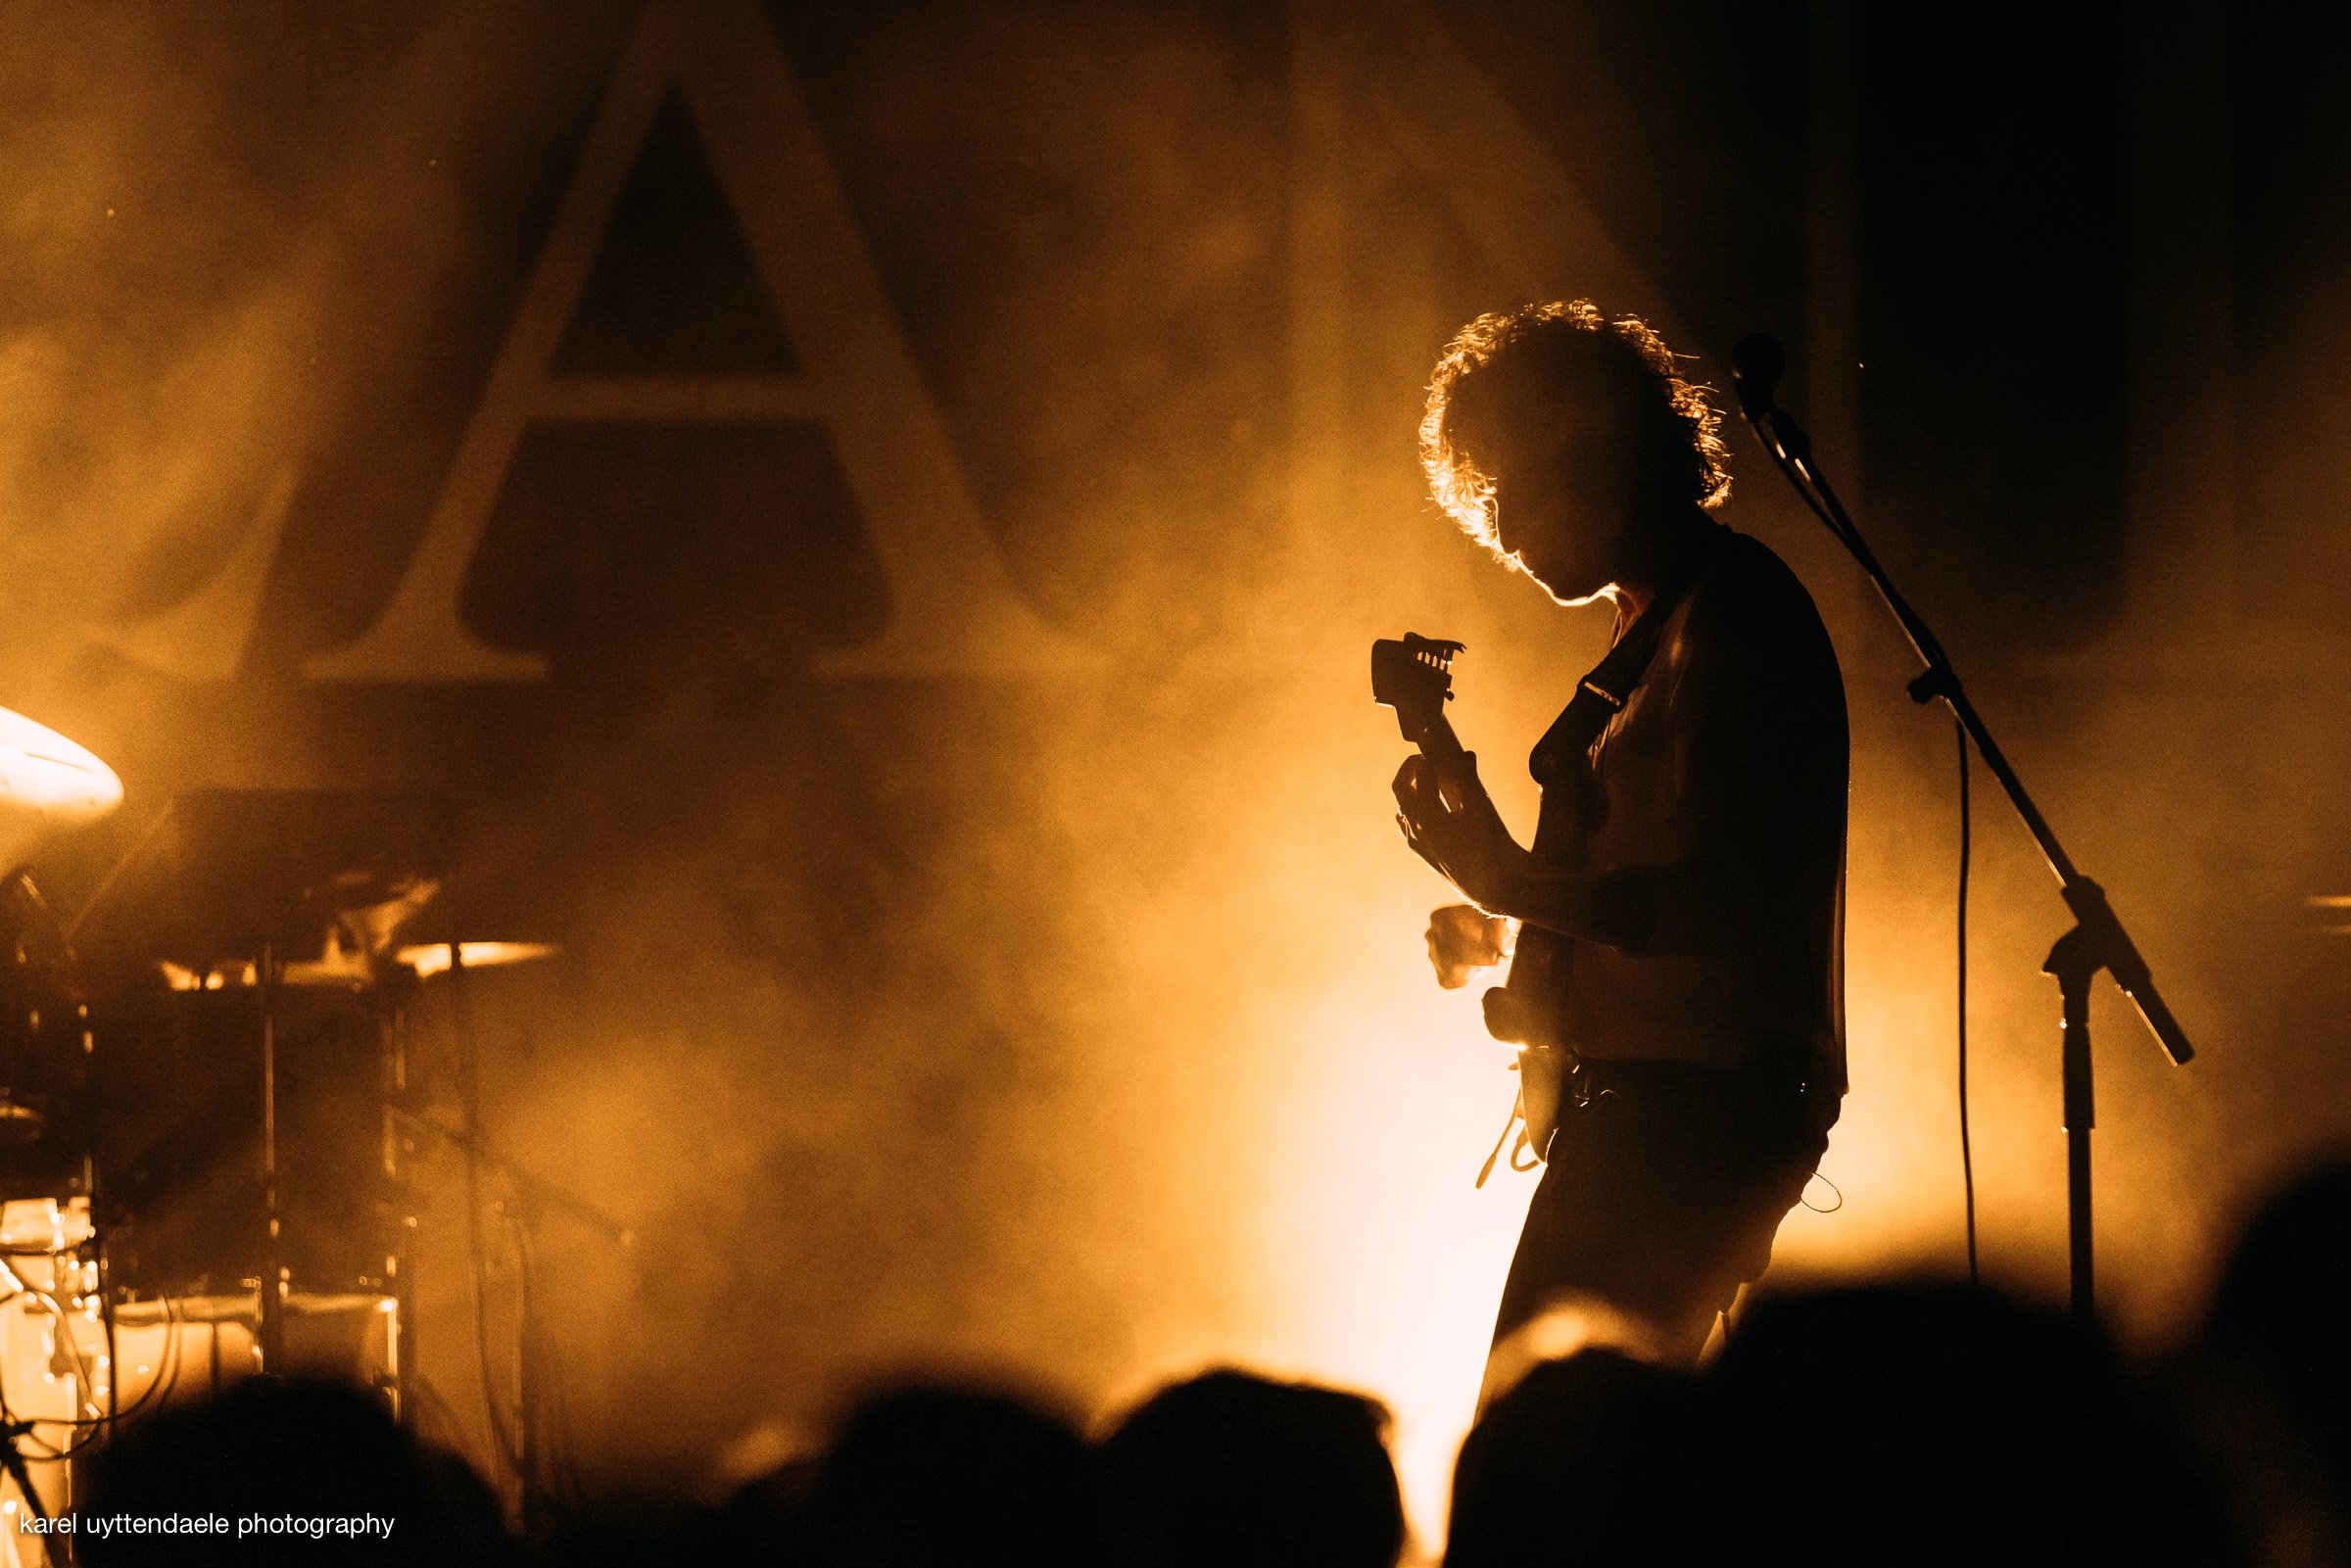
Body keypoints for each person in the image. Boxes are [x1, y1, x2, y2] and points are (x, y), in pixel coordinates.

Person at [1392, 301, 1847, 1367]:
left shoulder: (1731, 623)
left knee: (1557, 1462)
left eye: (1510, 495)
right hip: (1650, 1112)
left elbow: (1728, 900)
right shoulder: (1657, 623)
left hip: (1689, 1116)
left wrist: (1519, 885)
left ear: (1589, 450)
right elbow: (1659, 891)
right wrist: (1513, 931)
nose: (1501, 538)